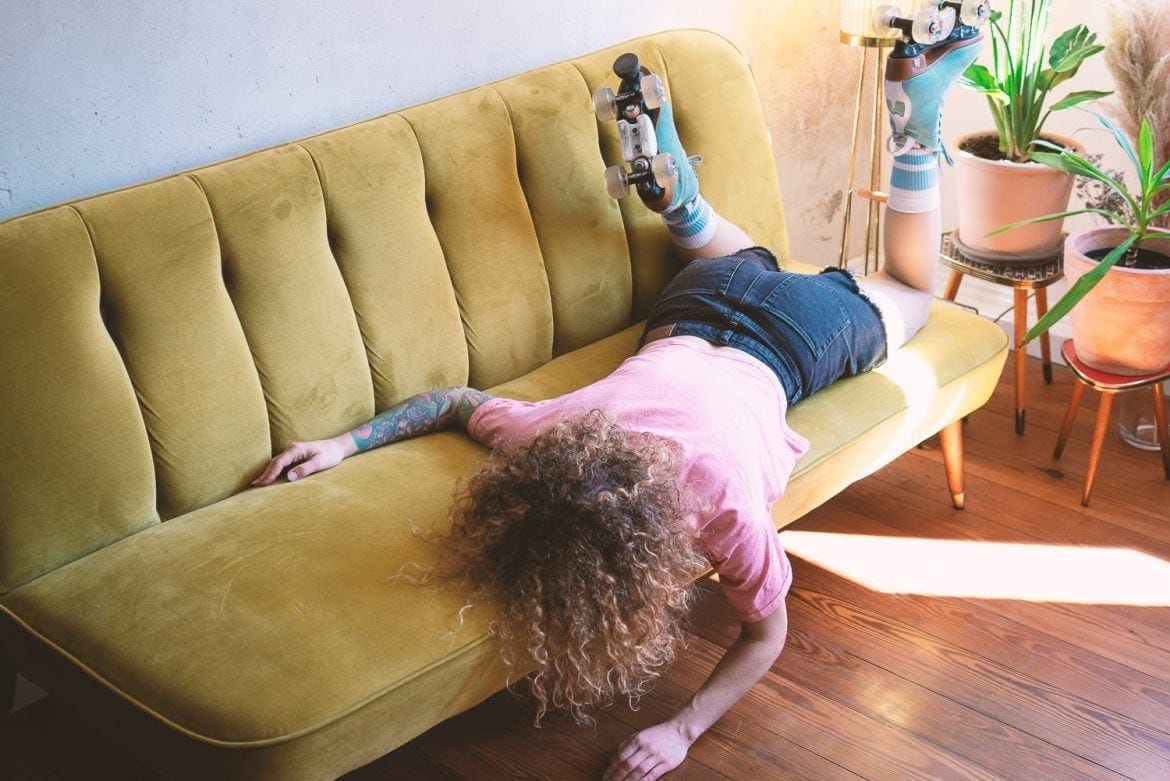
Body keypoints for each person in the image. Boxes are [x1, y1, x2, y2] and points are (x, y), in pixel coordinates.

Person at [253, 25, 983, 781]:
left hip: (793, 339)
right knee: (732, 258)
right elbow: (451, 402)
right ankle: (681, 203)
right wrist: (341, 443)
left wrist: (683, 729)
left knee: (909, 290)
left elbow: (766, 635)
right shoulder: (550, 432)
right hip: (702, 297)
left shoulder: (721, 502)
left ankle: (912, 135)